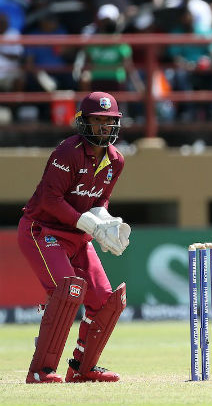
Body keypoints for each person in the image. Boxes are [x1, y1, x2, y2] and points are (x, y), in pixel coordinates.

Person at [17, 92, 131, 383]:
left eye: (109, 121)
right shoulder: (67, 152)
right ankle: (41, 371)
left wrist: (105, 221)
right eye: (97, 120)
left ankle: (83, 368)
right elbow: (51, 200)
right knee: (67, 290)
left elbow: (100, 200)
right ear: (84, 122)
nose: (104, 127)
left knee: (106, 301)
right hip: (42, 230)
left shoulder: (116, 160)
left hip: (79, 237)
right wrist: (89, 224)